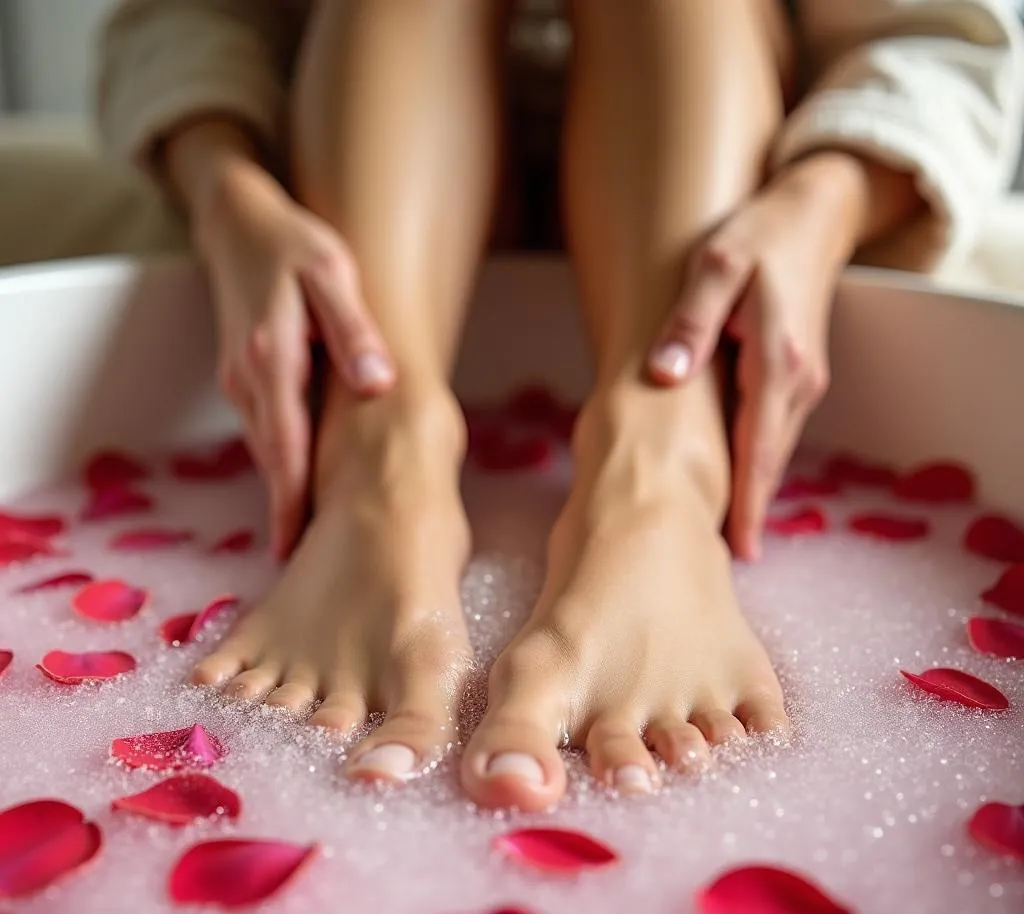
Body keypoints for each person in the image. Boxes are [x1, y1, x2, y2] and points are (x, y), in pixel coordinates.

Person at [98, 0, 1023, 810]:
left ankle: (657, 457)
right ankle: (383, 449)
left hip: (700, 201)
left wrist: (826, 200)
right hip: (370, 205)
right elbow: (186, 19)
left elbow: (941, 41)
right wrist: (225, 191)